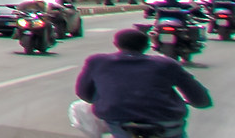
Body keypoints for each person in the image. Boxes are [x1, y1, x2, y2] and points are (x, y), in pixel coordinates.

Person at [77, 27, 212, 138]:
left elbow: (84, 94)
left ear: (116, 44)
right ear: (147, 46)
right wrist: (200, 102)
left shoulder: (97, 61)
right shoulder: (167, 63)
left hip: (119, 123)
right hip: (166, 124)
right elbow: (199, 98)